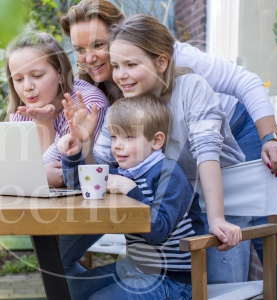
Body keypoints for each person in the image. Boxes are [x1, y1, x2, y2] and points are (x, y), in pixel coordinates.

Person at [60, 2, 277, 298]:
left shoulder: (185, 77)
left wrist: (271, 137)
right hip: (178, 179)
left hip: (228, 141)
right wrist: (80, 146)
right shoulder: (127, 97)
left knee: (252, 227)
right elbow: (99, 168)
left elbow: (208, 150)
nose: (118, 73)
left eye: (98, 45)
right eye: (81, 50)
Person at [60, 94, 204, 300]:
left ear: (156, 141)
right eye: (114, 137)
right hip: (136, 267)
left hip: (174, 281)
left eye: (128, 137)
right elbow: (78, 185)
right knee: (73, 289)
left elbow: (158, 233)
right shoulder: (124, 172)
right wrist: (74, 154)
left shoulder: (168, 174)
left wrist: (131, 190)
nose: (117, 145)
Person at [5, 32, 109, 187]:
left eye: (37, 75)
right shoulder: (22, 108)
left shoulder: (87, 105)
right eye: (18, 79)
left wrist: (44, 123)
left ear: (60, 74)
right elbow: (17, 166)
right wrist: (37, 177)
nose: (27, 87)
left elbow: (63, 176)